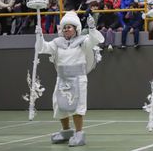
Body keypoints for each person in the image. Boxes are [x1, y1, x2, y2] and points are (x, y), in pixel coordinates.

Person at [35, 11, 104, 147]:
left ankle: (79, 134)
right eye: (64, 27)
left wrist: (92, 29)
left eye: (69, 27)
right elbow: (43, 48)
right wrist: (39, 36)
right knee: (60, 105)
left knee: (77, 107)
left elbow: (94, 41)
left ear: (76, 28)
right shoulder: (57, 42)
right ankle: (66, 131)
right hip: (62, 79)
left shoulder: (82, 41)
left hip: (78, 79)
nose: (66, 29)